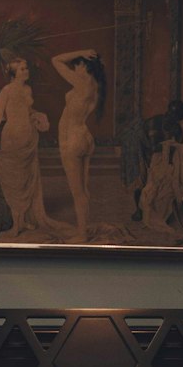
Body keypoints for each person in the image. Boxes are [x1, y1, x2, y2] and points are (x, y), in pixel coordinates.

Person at [0, 58, 55, 236]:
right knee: (15, 180)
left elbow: (26, 110)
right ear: (14, 74)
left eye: (26, 67)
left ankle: (23, 221)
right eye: (22, 69)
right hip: (13, 137)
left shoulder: (27, 89)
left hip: (29, 137)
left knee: (27, 179)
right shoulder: (6, 91)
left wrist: (36, 114)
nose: (26, 71)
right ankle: (16, 225)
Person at [52, 48, 106, 241]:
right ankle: (82, 228)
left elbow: (56, 59)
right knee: (83, 188)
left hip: (73, 139)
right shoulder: (94, 85)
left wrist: (80, 52)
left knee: (77, 191)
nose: (74, 68)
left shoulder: (83, 83)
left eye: (77, 65)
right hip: (84, 137)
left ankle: (82, 234)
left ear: (84, 66)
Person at [118, 99, 183, 220]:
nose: (175, 121)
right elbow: (149, 145)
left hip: (159, 156)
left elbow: (180, 144)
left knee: (166, 179)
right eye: (174, 117)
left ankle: (161, 209)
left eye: (178, 120)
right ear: (169, 113)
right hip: (141, 150)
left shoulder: (176, 127)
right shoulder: (154, 123)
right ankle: (139, 210)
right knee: (141, 180)